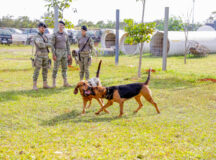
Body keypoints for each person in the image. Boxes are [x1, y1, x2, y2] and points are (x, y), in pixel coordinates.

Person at [51, 20, 72, 87]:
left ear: (64, 26)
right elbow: (52, 45)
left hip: (64, 53)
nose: (61, 26)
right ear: (58, 26)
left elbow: (68, 45)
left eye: (62, 25)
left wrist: (69, 54)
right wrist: (53, 54)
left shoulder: (65, 35)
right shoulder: (55, 34)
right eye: (60, 25)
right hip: (57, 52)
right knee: (56, 68)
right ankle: (54, 83)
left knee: (64, 68)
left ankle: (65, 82)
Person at [33, 22, 52, 90]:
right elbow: (40, 45)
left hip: (46, 55)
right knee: (37, 70)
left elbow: (50, 44)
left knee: (45, 70)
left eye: (44, 28)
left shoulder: (45, 36)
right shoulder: (37, 36)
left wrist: (46, 44)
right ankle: (34, 85)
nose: (43, 29)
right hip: (39, 56)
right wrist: (47, 44)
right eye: (42, 28)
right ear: (39, 28)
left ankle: (45, 84)